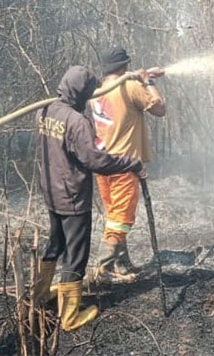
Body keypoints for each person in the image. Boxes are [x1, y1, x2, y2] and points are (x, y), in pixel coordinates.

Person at [32, 66, 144, 331]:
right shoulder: (77, 122)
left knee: (55, 244)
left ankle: (40, 294)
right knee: (76, 255)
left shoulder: (44, 110)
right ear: (81, 93)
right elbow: (96, 161)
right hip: (72, 198)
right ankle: (70, 316)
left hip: (51, 192)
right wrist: (131, 164)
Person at [90, 46, 166, 282]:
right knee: (121, 220)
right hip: (124, 166)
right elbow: (159, 108)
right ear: (125, 66)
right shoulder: (131, 86)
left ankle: (121, 263)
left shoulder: (98, 92)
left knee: (114, 216)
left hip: (103, 166)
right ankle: (103, 269)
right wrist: (148, 81)